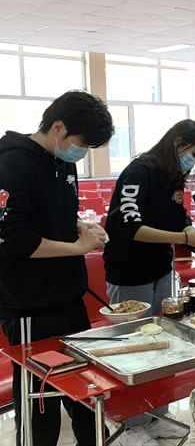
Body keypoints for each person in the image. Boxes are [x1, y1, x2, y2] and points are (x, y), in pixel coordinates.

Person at [0, 91, 114, 446]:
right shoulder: (12, 164)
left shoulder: (61, 160)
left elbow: (56, 213)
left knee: (86, 389)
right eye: (82, 144)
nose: (81, 153)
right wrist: (78, 247)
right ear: (58, 127)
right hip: (30, 305)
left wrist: (80, 226)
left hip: (68, 296)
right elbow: (14, 239)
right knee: (41, 400)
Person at [104, 120, 195, 446]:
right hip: (130, 272)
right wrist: (182, 237)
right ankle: (129, 425)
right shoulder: (139, 171)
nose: (192, 161)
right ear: (177, 142)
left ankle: (157, 415)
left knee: (161, 343)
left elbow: (178, 219)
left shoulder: (173, 177)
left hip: (160, 269)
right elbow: (131, 227)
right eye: (193, 153)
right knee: (132, 348)